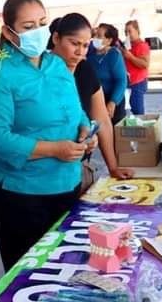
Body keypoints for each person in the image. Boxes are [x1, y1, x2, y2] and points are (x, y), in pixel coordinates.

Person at [0, 0, 96, 271]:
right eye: (28, 27)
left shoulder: (56, 63)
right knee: (30, 272)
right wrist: (55, 149)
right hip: (24, 195)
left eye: (42, 23)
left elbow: (75, 107)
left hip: (67, 184)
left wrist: (83, 129)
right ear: (9, 32)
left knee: (65, 268)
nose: (38, 32)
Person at [48, 14, 134, 181]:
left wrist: (113, 167)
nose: (80, 52)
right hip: (38, 173)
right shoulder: (41, 71)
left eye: (85, 45)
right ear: (56, 38)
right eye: (74, 44)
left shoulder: (85, 70)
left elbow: (101, 119)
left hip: (75, 170)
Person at [86, 23, 128, 125]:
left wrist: (112, 102)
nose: (95, 38)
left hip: (112, 99)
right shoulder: (90, 53)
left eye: (99, 36)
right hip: (95, 99)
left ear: (109, 40)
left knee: (112, 131)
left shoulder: (114, 55)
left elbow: (121, 81)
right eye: (95, 35)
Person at [121, 20, 151, 115]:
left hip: (138, 81)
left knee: (137, 108)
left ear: (137, 31)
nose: (127, 34)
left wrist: (130, 57)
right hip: (129, 80)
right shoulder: (127, 45)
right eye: (126, 32)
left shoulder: (142, 46)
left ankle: (141, 127)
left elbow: (144, 64)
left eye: (130, 31)